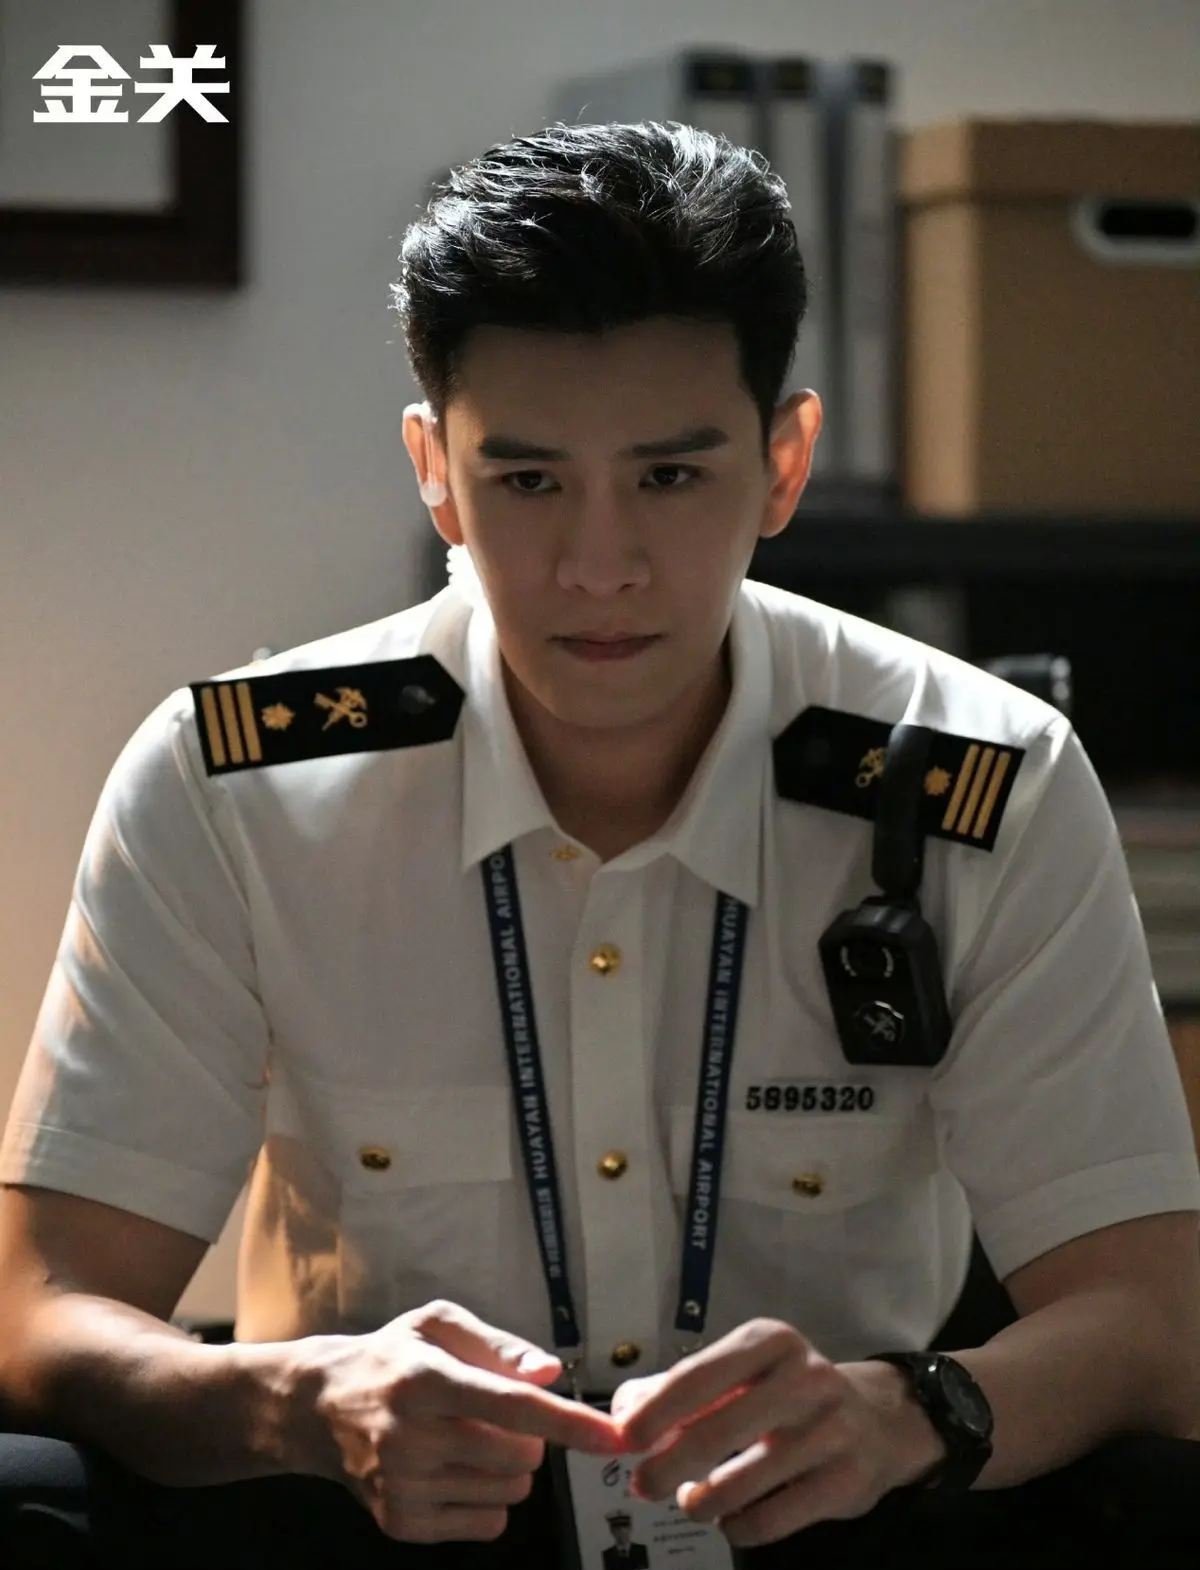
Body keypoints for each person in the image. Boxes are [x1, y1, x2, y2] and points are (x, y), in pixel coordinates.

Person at [0, 116, 1199, 1570]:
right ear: (434, 470)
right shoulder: (236, 784)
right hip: (375, 1523)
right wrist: (300, 1402)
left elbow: (1154, 1323)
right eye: (528, 481)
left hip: (834, 1513)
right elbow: (41, 1310)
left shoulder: (984, 778)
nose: (599, 564)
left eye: (671, 477)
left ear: (784, 461)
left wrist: (909, 1410)